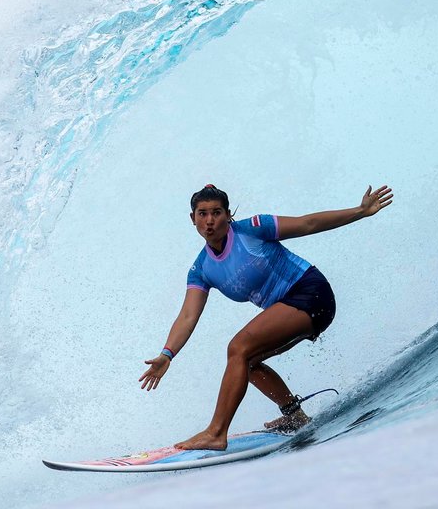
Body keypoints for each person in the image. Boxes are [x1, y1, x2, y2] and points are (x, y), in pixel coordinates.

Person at [138, 183, 394, 451]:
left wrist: (360, 211)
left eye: (216, 212)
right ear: (193, 219)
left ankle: (216, 432)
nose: (210, 220)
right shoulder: (201, 269)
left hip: (311, 292)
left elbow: (307, 224)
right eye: (202, 214)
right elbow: (188, 315)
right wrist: (167, 354)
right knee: (245, 362)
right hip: (291, 307)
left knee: (238, 349)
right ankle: (294, 415)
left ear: (228, 215)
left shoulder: (253, 228)